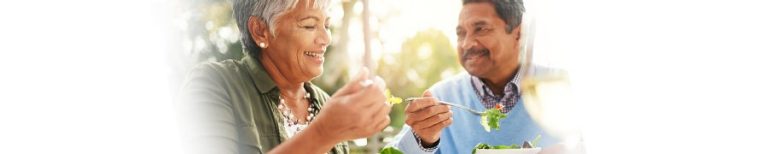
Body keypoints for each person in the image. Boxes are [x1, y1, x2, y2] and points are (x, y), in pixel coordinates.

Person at [177, 0, 391, 153]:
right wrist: (323, 133)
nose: (326, 38)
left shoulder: (326, 103)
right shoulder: (215, 84)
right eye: (309, 25)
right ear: (260, 30)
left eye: (326, 25)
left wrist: (421, 140)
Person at [389, 0, 566, 153]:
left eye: (480, 29)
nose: (467, 44)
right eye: (460, 33)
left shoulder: (560, 85)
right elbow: (393, 152)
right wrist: (422, 141)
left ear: (519, 33)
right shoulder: (440, 98)